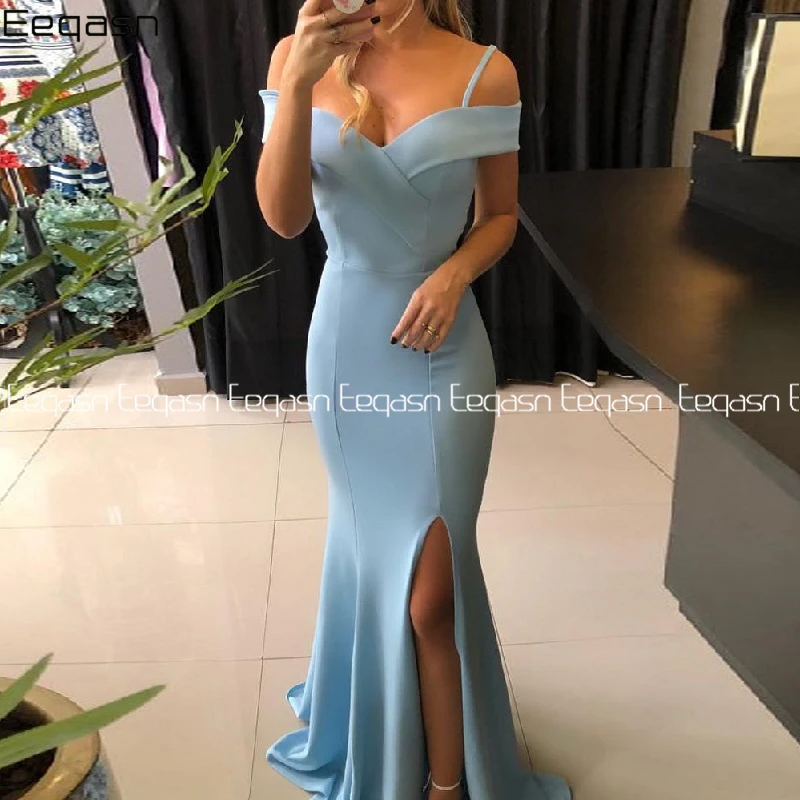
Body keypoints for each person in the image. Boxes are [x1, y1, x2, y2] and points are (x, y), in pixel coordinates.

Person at [255, 1, 571, 798]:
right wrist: (298, 85)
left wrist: (455, 272)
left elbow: (500, 216)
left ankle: (445, 784)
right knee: (368, 546)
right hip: (347, 346)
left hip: (443, 348)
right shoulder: (296, 55)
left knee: (432, 591)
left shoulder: (485, 71)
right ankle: (385, 723)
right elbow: (284, 219)